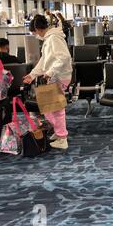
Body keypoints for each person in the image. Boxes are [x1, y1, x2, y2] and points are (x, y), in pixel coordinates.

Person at [23, 15, 73, 151]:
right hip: (54, 76)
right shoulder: (49, 38)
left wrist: (50, 72)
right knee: (50, 108)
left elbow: (64, 57)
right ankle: (59, 134)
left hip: (58, 76)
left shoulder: (53, 38)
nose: (35, 35)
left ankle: (62, 138)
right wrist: (33, 75)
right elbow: (44, 61)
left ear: (38, 29)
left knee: (55, 109)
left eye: (34, 33)